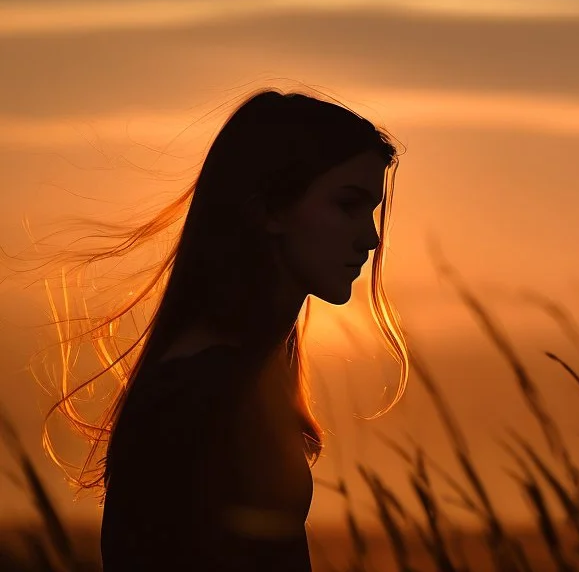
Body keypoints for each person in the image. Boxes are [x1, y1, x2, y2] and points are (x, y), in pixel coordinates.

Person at [29, 88, 409, 570]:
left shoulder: (231, 380)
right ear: (272, 208)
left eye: (372, 210)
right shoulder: (204, 393)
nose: (370, 238)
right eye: (347, 205)